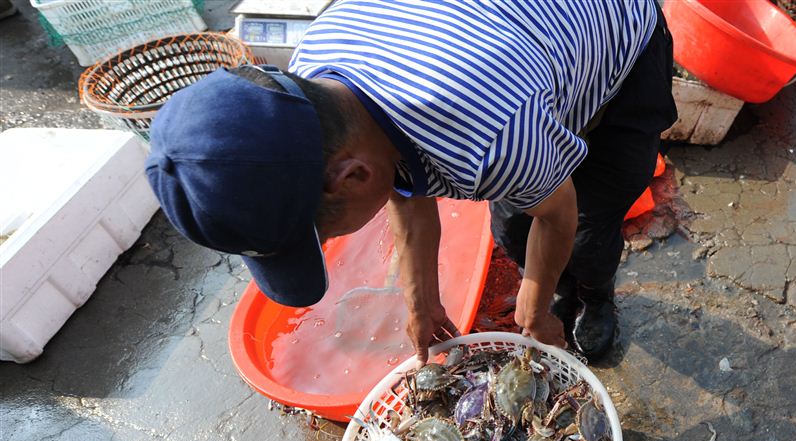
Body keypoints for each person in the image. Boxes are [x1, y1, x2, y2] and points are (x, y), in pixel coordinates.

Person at [146, 0, 676, 363]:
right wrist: (420, 300)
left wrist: (532, 316)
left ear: (351, 176)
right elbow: (401, 181)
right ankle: (565, 287)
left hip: (615, 28)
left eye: (324, 236)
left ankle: (595, 294)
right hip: (517, 50)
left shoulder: (489, 137)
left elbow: (558, 212)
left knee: (588, 218)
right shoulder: (311, 80)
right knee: (514, 228)